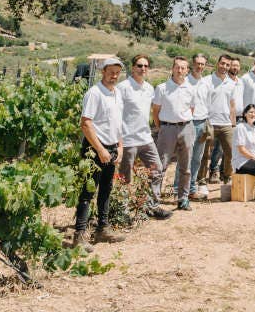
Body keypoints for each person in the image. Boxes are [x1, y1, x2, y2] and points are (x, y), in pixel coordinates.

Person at [73, 57, 126, 246]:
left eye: (117, 72)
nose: (114, 75)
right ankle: (79, 235)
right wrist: (100, 149)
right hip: (94, 149)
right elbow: (86, 124)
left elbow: (117, 123)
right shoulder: (94, 93)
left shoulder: (117, 93)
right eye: (111, 71)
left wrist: (119, 146)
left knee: (106, 190)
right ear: (103, 71)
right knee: (88, 192)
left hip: (111, 148)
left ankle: (102, 229)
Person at [116, 55, 171, 220]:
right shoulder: (122, 87)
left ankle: (151, 206)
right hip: (128, 140)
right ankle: (122, 210)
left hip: (146, 138)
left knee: (156, 170)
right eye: (139, 65)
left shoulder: (149, 88)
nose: (143, 69)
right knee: (125, 178)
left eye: (146, 66)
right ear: (133, 68)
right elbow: (116, 113)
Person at [151, 57, 197, 211]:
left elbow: (191, 110)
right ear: (172, 68)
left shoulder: (191, 89)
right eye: (177, 67)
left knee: (186, 167)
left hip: (186, 128)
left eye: (183, 68)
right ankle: (154, 200)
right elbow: (155, 111)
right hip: (167, 129)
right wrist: (162, 128)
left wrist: (182, 122)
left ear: (187, 71)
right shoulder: (162, 88)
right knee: (161, 165)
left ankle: (183, 199)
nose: (180, 70)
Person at [179, 54, 212, 201]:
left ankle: (191, 189)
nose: (200, 66)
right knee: (184, 158)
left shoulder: (206, 83)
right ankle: (177, 190)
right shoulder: (184, 82)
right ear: (192, 64)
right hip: (188, 123)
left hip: (203, 123)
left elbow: (208, 103)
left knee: (197, 159)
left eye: (202, 64)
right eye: (197, 63)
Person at [202, 54, 238, 185]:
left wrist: (233, 124)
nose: (224, 66)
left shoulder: (231, 83)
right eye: (222, 63)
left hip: (226, 124)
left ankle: (227, 177)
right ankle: (201, 180)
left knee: (231, 153)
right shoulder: (206, 80)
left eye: (227, 65)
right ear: (218, 63)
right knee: (204, 154)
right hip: (209, 123)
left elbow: (232, 105)